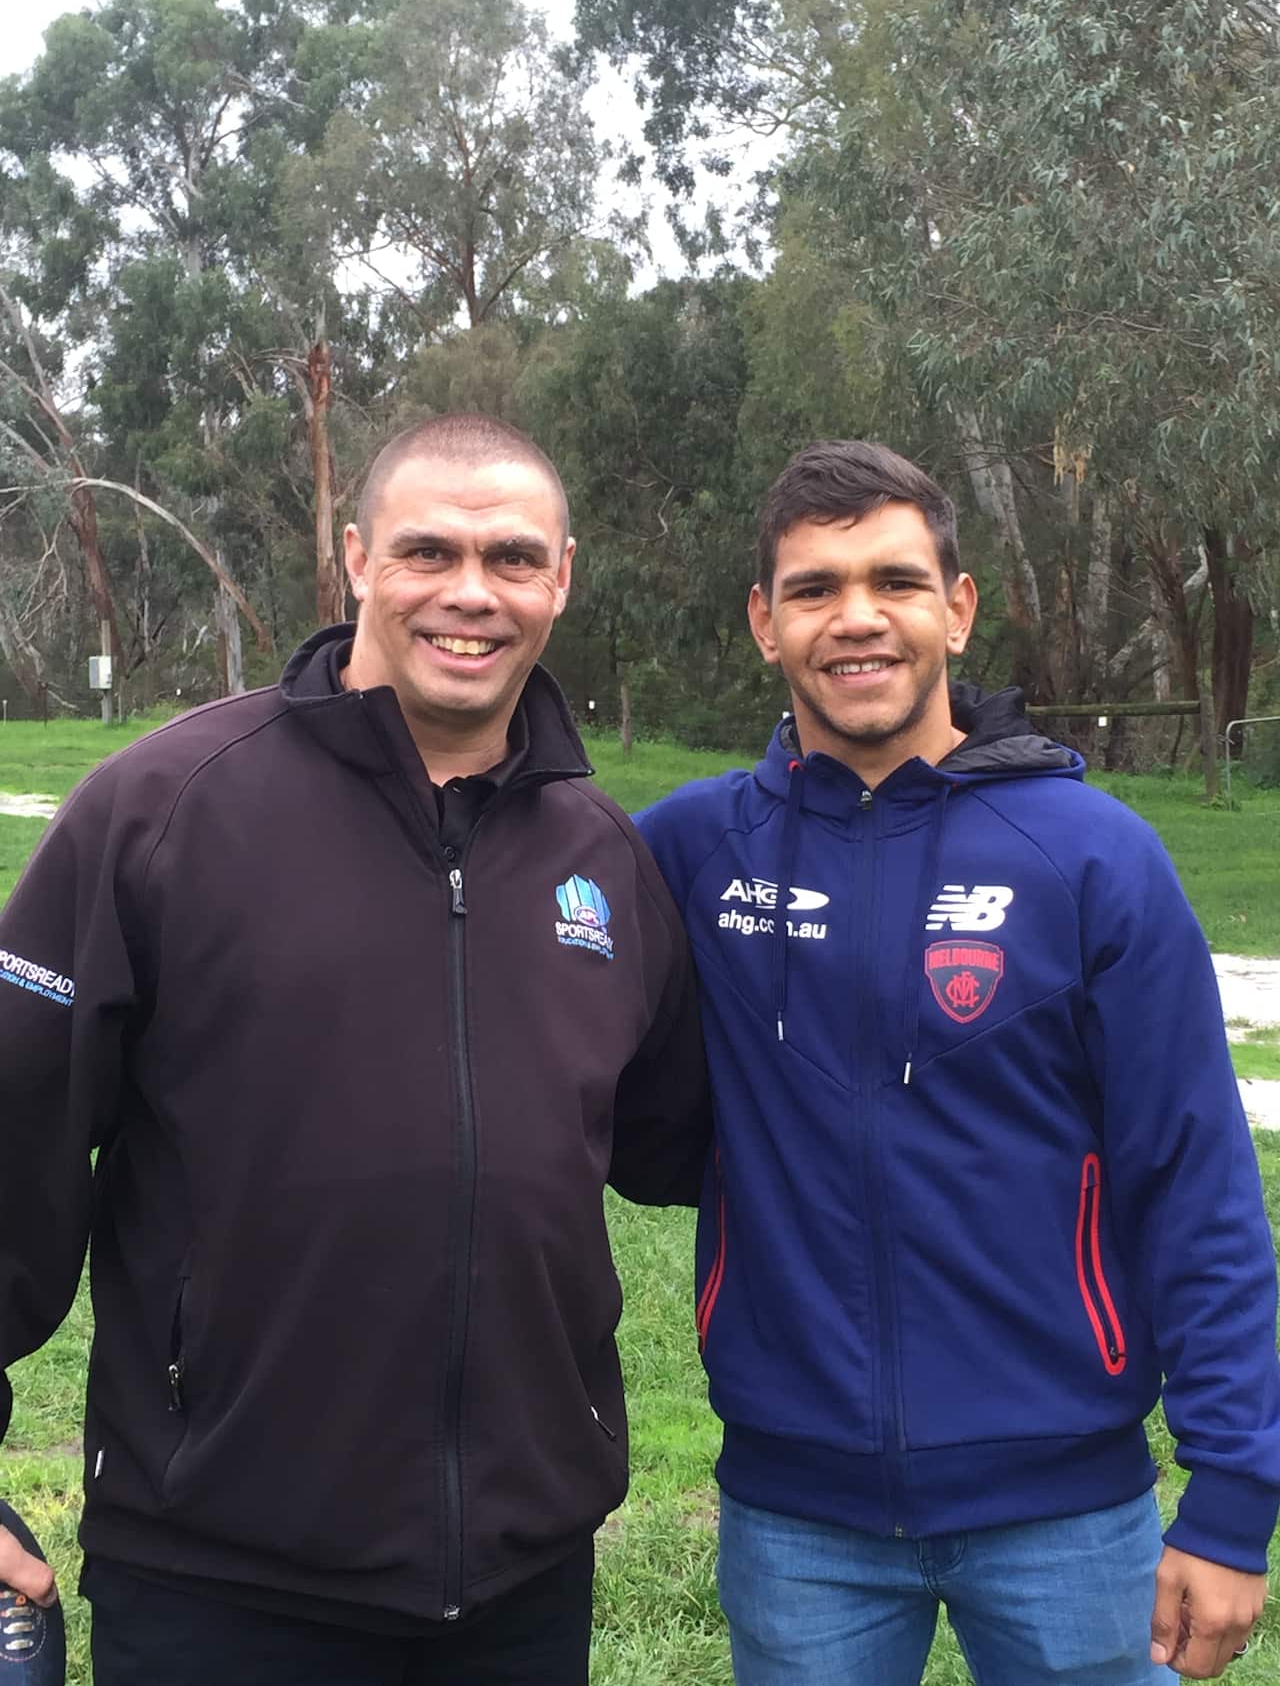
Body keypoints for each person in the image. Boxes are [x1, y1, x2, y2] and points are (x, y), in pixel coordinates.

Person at [0, 413, 709, 1685]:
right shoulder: (163, 812)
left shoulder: (601, 856)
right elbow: (8, 1135)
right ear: (357, 562)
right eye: (427, 551)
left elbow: (676, 1145)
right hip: (218, 1571)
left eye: (509, 557)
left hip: (521, 1577)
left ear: (560, 576)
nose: (469, 593)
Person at [637, 439, 1279, 1685]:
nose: (856, 619)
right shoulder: (688, 854)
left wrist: (1231, 1493)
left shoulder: (1093, 859)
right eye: (815, 589)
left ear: (958, 609)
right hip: (793, 1512)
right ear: (764, 623)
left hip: (1065, 1508)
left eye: (894, 581)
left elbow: (1193, 1181)